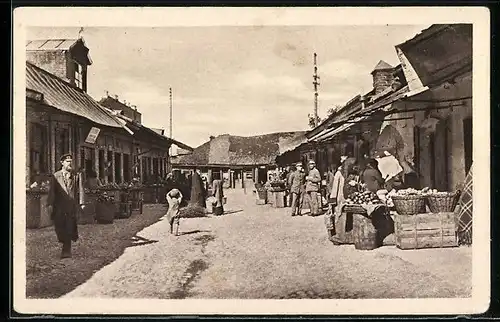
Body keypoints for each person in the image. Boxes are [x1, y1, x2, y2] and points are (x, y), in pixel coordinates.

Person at [47, 153, 85, 259]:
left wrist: (82, 203)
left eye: (71, 161)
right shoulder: (56, 175)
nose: (70, 163)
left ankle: (66, 249)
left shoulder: (76, 175)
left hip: (71, 207)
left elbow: (80, 190)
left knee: (69, 227)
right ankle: (64, 242)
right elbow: (52, 192)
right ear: (62, 163)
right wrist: (50, 203)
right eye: (68, 162)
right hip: (59, 207)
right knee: (59, 227)